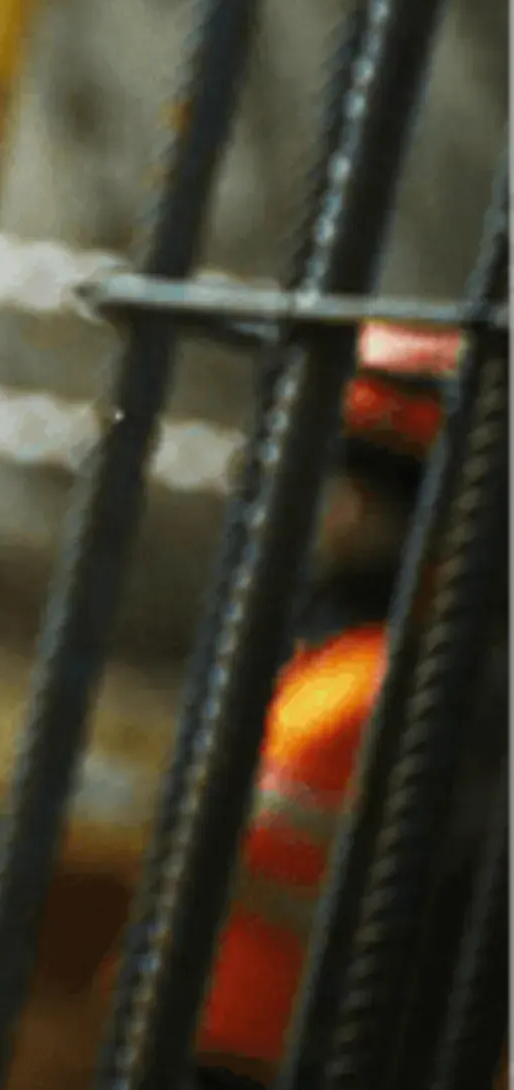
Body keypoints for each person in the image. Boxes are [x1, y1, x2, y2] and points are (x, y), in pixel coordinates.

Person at [190, 321, 467, 1085]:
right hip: (227, 1033)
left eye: (359, 492)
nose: (331, 515)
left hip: (306, 1054)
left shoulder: (398, 687)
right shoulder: (330, 663)